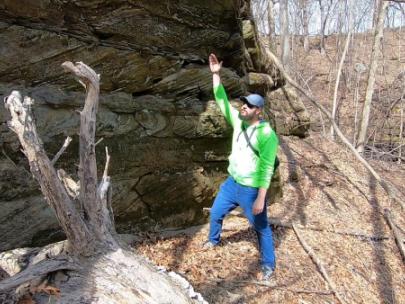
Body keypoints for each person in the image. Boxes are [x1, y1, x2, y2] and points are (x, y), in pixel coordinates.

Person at [204, 53, 279, 280]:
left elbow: (267, 168)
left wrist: (260, 198)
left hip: (251, 190)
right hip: (231, 184)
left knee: (262, 228)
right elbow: (221, 100)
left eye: (250, 105)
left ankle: (268, 265)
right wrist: (216, 75)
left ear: (259, 111)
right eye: (244, 103)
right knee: (216, 213)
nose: (244, 106)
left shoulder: (267, 135)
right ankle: (213, 240)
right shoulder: (238, 121)